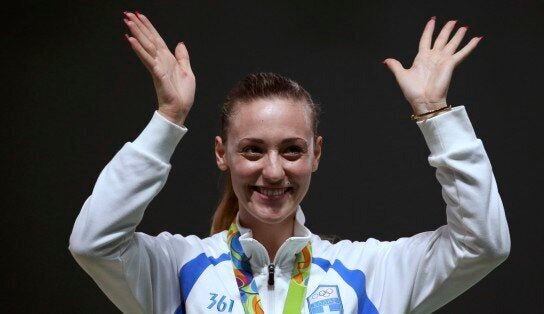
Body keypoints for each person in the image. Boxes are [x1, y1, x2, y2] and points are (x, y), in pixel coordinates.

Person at [69, 11, 511, 314]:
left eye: (292, 150)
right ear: (222, 154)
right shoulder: (177, 268)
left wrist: (436, 115)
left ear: (316, 154)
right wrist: (168, 120)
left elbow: (482, 245)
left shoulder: (368, 272)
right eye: (253, 150)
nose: (274, 171)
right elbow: (95, 243)